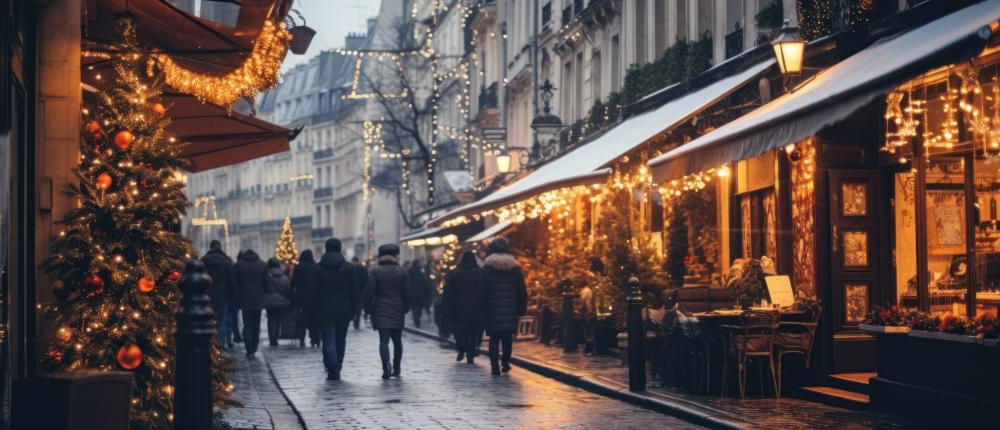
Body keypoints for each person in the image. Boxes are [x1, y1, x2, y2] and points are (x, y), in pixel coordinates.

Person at [311, 238, 361, 380]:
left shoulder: (318, 268)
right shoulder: (349, 267)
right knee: (341, 339)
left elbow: (313, 291)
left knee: (328, 339)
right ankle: (337, 364)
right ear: (339, 248)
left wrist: (313, 308)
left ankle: (332, 366)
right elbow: (355, 290)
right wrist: (354, 308)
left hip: (324, 308)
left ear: (326, 249)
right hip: (344, 309)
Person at [478, 237, 527, 375]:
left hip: (492, 310)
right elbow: (521, 290)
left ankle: (494, 367)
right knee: (507, 339)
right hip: (510, 310)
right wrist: (522, 308)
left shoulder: (487, 267)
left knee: (493, 339)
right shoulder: (515, 268)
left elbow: (482, 290)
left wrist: (481, 309)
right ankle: (505, 363)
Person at [365, 244, 409, 379]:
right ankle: (397, 367)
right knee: (397, 341)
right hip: (398, 309)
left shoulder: (375, 271)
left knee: (383, 341)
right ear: (395, 255)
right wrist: (405, 308)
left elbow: (370, 292)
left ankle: (386, 366)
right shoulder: (402, 271)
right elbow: (407, 293)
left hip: (380, 309)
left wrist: (369, 309)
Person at [443, 251, 480, 363]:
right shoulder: (479, 273)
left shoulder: (454, 273)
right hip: (475, 306)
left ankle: (460, 349)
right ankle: (471, 354)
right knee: (472, 332)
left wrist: (446, 305)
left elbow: (447, 291)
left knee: (459, 331)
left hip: (457, 306)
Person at [201, 240, 237, 349]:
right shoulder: (226, 262)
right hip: (223, 295)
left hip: (207, 294)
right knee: (222, 320)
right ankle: (221, 343)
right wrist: (232, 296)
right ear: (220, 247)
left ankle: (209, 344)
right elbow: (231, 281)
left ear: (210, 247)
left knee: (208, 320)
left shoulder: (203, 261)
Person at [234, 249, 268, 357]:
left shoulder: (239, 265)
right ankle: (254, 346)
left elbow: (235, 282)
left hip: (244, 298)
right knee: (256, 324)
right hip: (258, 299)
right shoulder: (262, 264)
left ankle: (248, 348)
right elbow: (266, 282)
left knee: (247, 324)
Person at [291, 250, 321, 347]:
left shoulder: (298, 267)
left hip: (302, 296)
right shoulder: (316, 266)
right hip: (315, 296)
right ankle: (314, 339)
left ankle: (302, 338)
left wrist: (292, 295)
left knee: (303, 318)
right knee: (314, 318)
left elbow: (293, 282)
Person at [264, 258, 292, 346]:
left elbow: (263, 287)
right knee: (277, 319)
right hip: (280, 301)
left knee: (270, 320)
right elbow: (288, 288)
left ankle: (271, 338)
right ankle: (275, 337)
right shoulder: (283, 277)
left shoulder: (266, 276)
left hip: (269, 301)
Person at [407, 260, 432, 327]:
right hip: (420, 294)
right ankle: (417, 319)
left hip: (413, 294)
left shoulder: (409, 272)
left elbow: (407, 284)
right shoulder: (421, 272)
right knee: (419, 308)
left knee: (415, 308)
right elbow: (425, 284)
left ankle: (416, 319)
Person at [351, 256, 369, 330]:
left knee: (355, 306)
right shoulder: (363, 268)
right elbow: (367, 279)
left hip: (354, 291)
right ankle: (356, 320)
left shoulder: (351, 268)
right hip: (360, 291)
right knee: (358, 306)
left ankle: (355, 319)